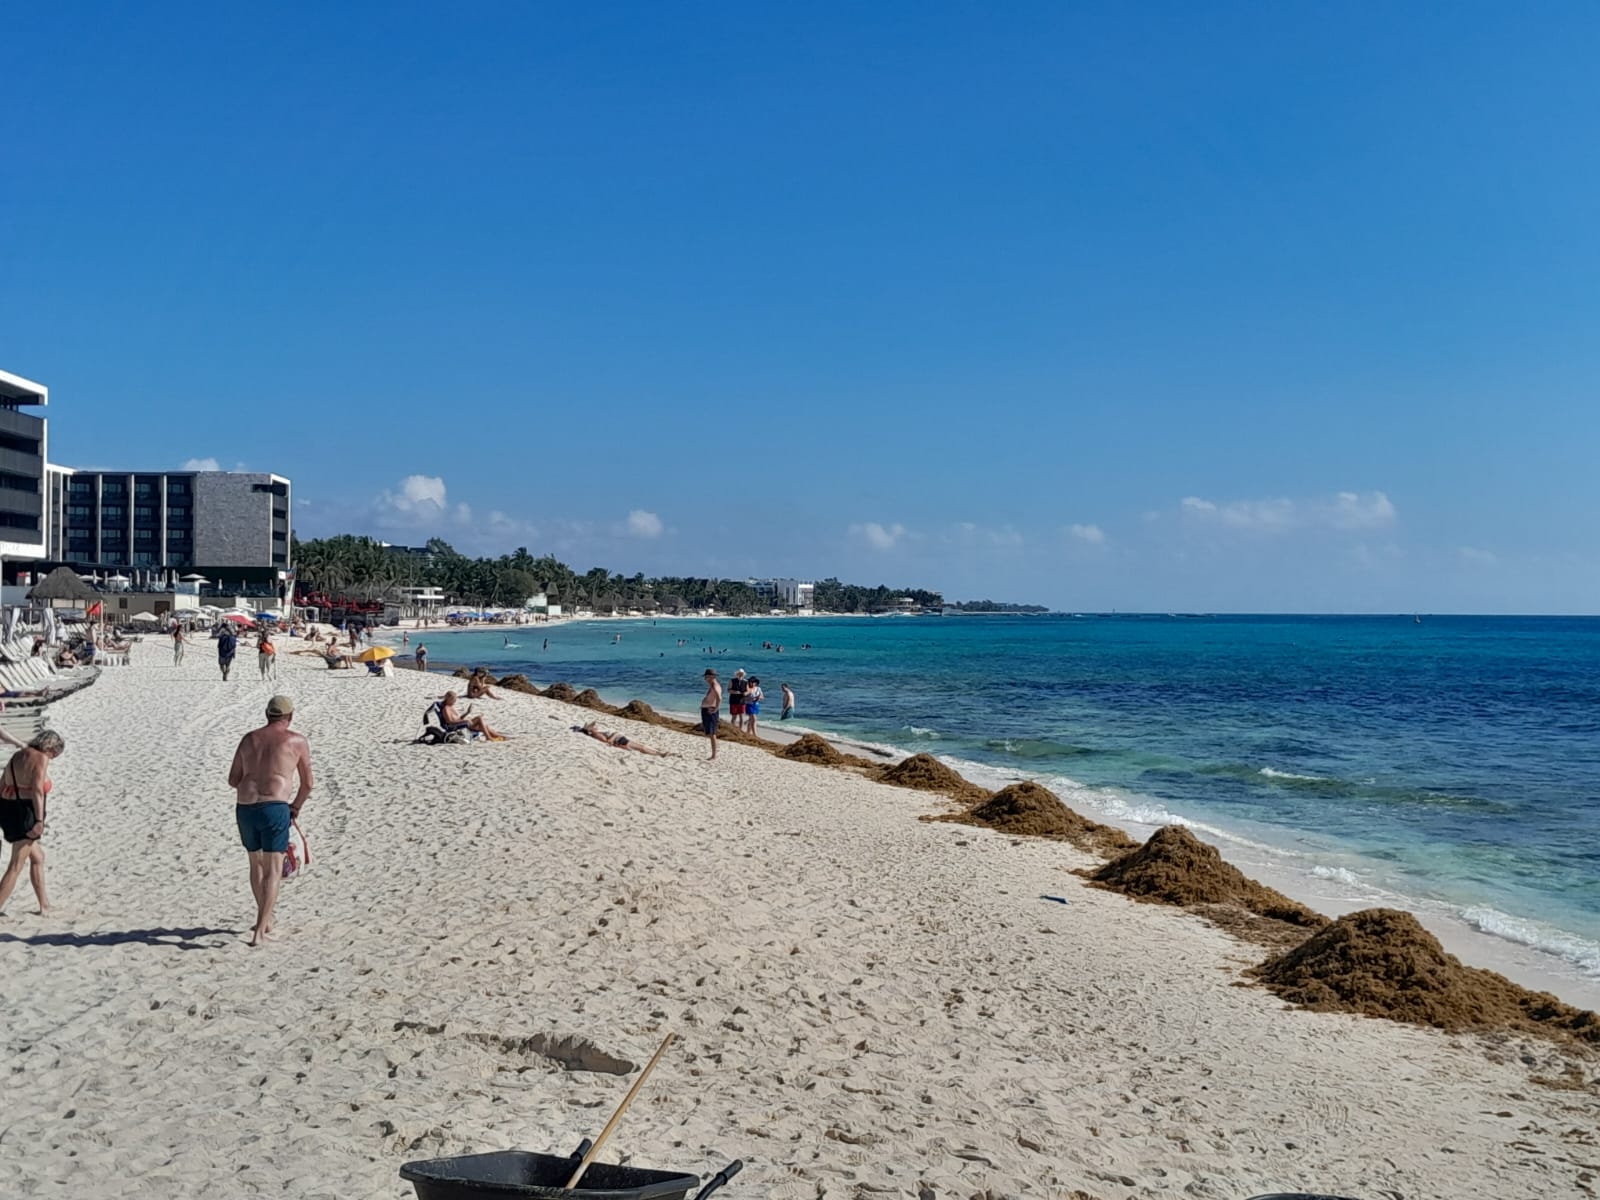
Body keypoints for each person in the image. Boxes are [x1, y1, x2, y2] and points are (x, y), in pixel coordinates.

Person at [228, 696, 313, 947]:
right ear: (290, 717)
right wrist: (295, 806)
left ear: (267, 715)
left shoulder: (249, 739)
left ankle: (265, 919)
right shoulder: (296, 741)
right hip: (274, 806)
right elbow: (308, 784)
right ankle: (261, 930)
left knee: (255, 864)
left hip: (245, 807)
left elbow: (233, 779)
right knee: (274, 867)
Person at [0, 730, 65, 916]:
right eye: (54, 754)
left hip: (8, 810)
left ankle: (44, 905)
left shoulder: (18, 756)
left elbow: (2, 784)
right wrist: (38, 820)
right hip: (26, 814)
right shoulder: (41, 758)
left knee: (38, 857)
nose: (52, 758)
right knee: (16, 865)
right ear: (50, 748)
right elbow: (37, 790)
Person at [577, 722, 673, 757]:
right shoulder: (597, 734)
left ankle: (659, 753)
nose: (595, 726)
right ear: (590, 730)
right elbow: (608, 741)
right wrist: (614, 736)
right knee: (641, 748)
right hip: (620, 740)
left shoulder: (597, 732)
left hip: (620, 738)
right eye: (592, 726)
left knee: (641, 747)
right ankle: (660, 754)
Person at [438, 691, 506, 740]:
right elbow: (450, 722)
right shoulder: (446, 709)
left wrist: (467, 712)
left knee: (485, 727)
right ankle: (488, 737)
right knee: (479, 718)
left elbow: (459, 718)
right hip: (457, 727)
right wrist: (464, 720)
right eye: (454, 700)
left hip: (462, 724)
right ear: (448, 699)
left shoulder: (451, 707)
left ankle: (502, 736)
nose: (455, 701)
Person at [700, 668, 722, 760]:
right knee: (709, 733)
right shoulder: (713, 685)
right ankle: (713, 754)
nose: (705, 679)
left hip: (710, 710)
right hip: (707, 710)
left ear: (711, 677)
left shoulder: (715, 686)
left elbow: (719, 698)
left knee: (712, 733)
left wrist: (716, 708)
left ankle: (714, 755)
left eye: (706, 677)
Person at [728, 669, 748, 733]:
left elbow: (748, 691)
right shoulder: (732, 681)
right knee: (734, 716)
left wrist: (746, 693)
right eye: (739, 673)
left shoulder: (745, 682)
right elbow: (728, 690)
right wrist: (734, 692)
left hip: (742, 701)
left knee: (741, 716)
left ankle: (740, 730)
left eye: (741, 674)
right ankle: (732, 729)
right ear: (737, 674)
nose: (740, 675)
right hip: (733, 700)